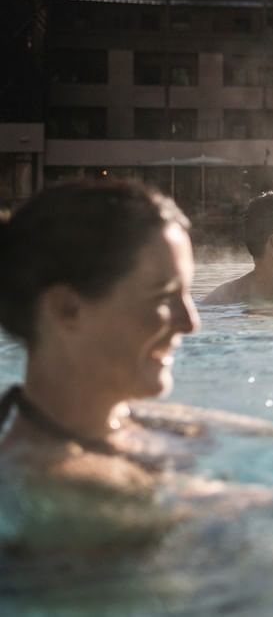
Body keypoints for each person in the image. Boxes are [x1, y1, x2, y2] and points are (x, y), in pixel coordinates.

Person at [0, 179, 202, 497]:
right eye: (164, 297)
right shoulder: (65, 487)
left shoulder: (127, 417)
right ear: (68, 309)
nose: (191, 323)